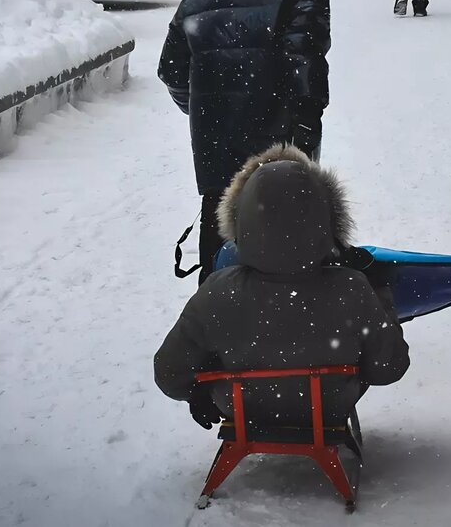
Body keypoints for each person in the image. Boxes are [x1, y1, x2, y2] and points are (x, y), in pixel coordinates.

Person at [154, 145, 411, 431]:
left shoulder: (218, 291)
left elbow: (169, 374)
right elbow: (390, 368)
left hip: (242, 410)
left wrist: (201, 387)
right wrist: (382, 298)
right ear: (327, 218)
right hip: (328, 407)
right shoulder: (351, 288)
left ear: (240, 221)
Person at [158, 0, 331, 283]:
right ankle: (283, 325)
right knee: (287, 233)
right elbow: (306, 68)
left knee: (220, 231)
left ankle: (217, 321)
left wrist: (206, 109)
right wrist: (304, 131)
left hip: (215, 143)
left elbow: (171, 71)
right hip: (281, 139)